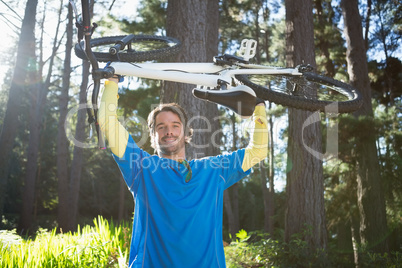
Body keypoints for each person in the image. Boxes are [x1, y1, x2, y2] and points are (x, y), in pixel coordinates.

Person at [98, 76, 268, 268]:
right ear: (153, 137)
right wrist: (111, 81)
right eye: (161, 127)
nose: (168, 131)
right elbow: (107, 120)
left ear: (186, 133)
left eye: (175, 126)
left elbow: (258, 151)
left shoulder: (212, 170)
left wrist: (259, 106)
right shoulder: (141, 168)